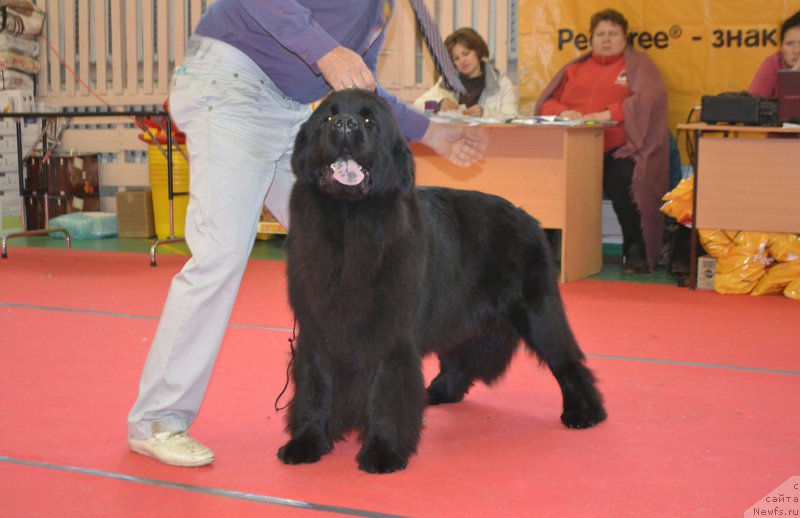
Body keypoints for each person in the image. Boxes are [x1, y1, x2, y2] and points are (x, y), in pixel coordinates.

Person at [127, 0, 488, 468]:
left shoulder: (383, 10)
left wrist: (433, 133)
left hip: (290, 109)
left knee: (353, 247)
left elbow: (364, 91)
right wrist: (324, 51)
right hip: (231, 87)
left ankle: (332, 405)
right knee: (220, 256)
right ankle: (157, 419)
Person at [535, 8, 668, 274]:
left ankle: (636, 249)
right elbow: (544, 103)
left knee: (625, 179)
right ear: (591, 39)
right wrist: (563, 112)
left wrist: (609, 113)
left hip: (618, 150)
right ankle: (544, 249)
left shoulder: (638, 66)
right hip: (573, 151)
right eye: (600, 34)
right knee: (545, 176)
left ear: (624, 38)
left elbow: (648, 99)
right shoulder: (575, 69)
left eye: (613, 34)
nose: (606, 39)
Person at [414, 27, 518, 119]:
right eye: (456, 58)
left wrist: (485, 113)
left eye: (466, 53)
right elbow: (417, 105)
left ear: (478, 51)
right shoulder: (447, 82)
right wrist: (437, 105)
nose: (462, 61)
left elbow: (512, 120)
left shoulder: (502, 84)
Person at [748, 10, 800, 98]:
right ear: (781, 47)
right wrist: (793, 76)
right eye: (789, 44)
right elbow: (752, 104)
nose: (797, 51)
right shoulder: (773, 64)